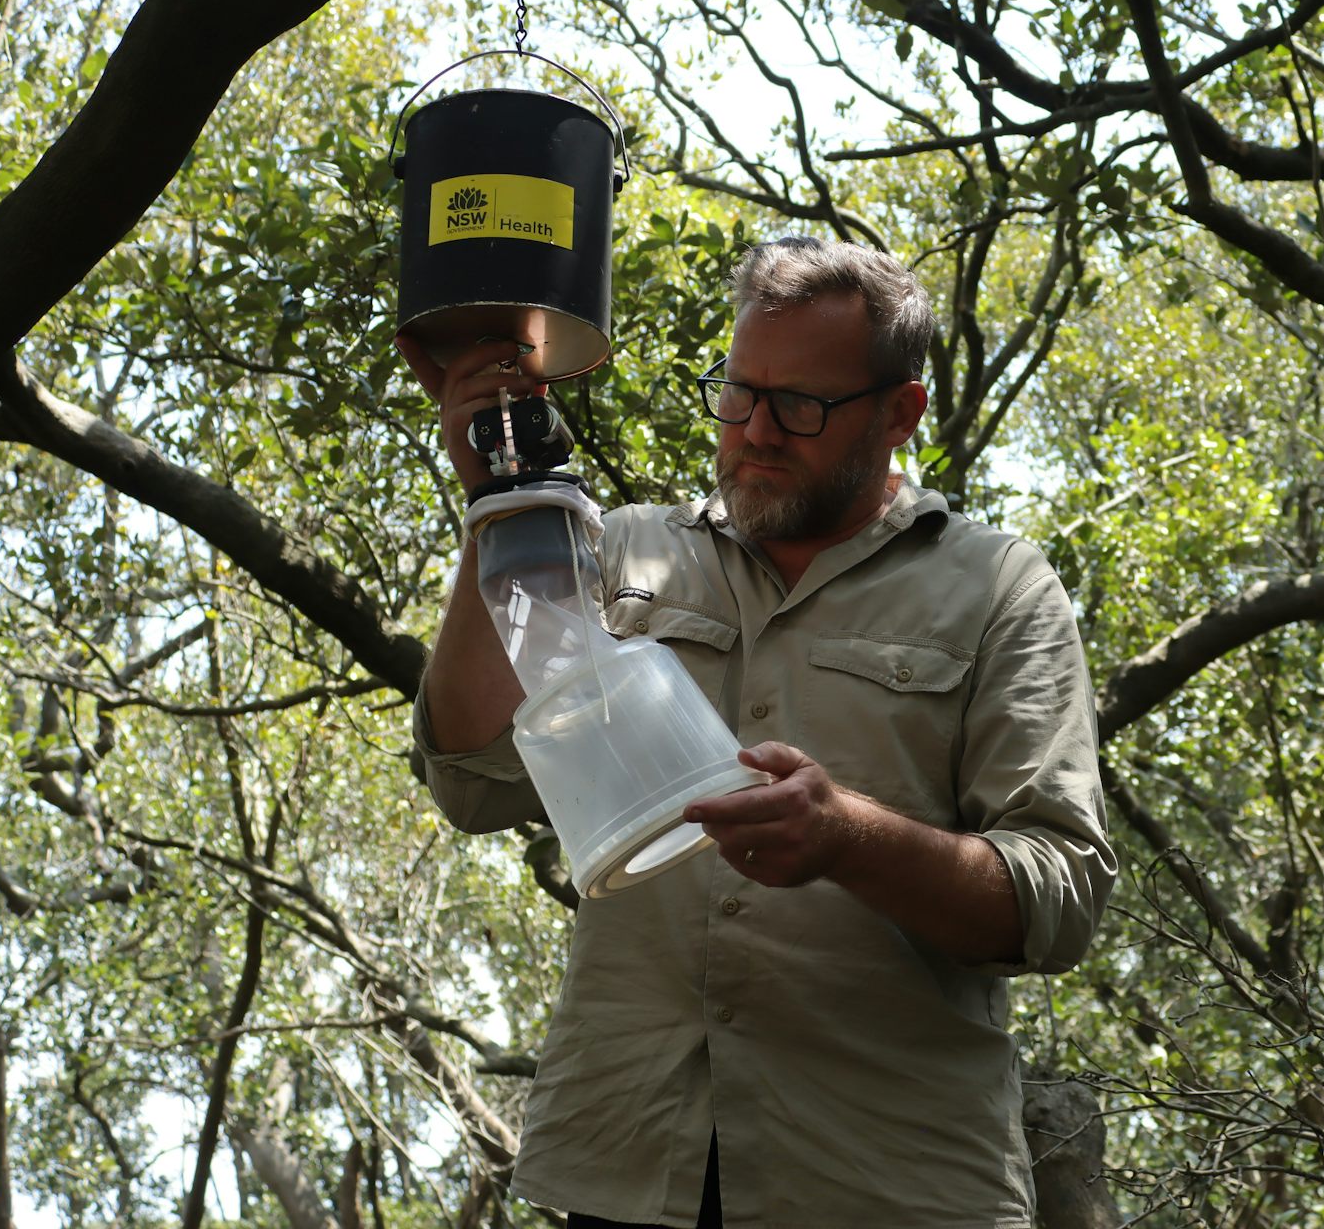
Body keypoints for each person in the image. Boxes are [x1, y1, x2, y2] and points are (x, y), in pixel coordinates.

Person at [402, 236, 1115, 1228]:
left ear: (901, 413)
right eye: (739, 391)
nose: (757, 430)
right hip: (626, 1169)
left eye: (803, 405)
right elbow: (474, 779)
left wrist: (845, 836)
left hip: (886, 1181)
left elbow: (1058, 894)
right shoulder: (621, 552)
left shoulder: (999, 589)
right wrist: (500, 502)